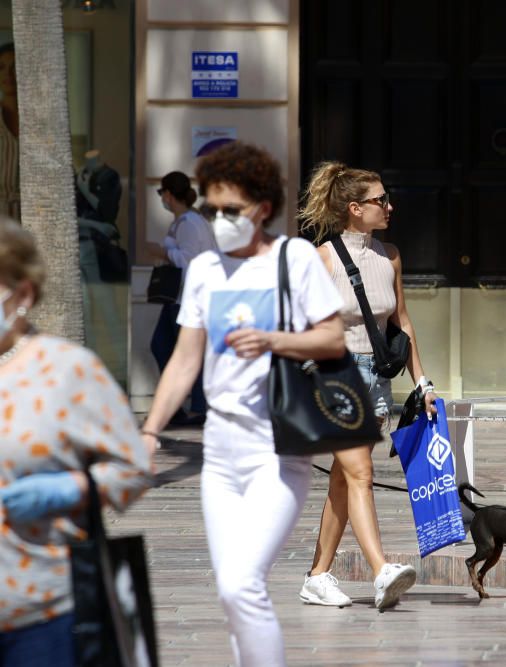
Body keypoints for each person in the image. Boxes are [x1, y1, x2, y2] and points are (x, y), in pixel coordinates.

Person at [140, 141, 347, 666]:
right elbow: (185, 361)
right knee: (234, 591)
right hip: (221, 451)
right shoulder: (206, 270)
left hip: (275, 451)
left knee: (241, 585)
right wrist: (149, 432)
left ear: (262, 208)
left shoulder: (294, 258)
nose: (220, 219)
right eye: (212, 208)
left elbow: (332, 340)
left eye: (231, 210)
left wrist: (273, 339)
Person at [0, 219, 153, 666]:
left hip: (40, 614)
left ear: (22, 295)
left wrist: (73, 488)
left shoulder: (67, 371)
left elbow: (132, 467)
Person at [297, 162, 438, 610]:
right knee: (361, 473)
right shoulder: (321, 259)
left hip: (376, 378)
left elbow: (402, 322)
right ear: (355, 209)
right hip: (334, 375)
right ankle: (381, 569)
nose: (389, 206)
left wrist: (423, 384)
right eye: (381, 200)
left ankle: (317, 576)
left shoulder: (390, 255)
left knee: (343, 478)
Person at [147, 170, 217, 425]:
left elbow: (189, 261)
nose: (162, 199)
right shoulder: (184, 221)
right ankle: (179, 405)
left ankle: (197, 407)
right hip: (177, 298)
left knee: (184, 351)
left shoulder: (189, 223)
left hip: (187, 298)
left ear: (168, 194)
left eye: (162, 194)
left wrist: (162, 252)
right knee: (162, 346)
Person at [0, 43, 18, 219]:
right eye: (1, 68)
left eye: (15, 67)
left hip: (34, 217)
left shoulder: (41, 123)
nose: (8, 74)